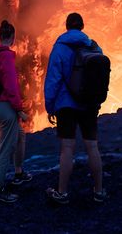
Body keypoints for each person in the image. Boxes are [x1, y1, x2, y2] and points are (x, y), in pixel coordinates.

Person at [43, 12, 106, 205]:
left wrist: (50, 106)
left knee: (67, 148)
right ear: (82, 27)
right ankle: (99, 191)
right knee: (92, 147)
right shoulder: (94, 46)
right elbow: (100, 78)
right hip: (88, 104)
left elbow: (53, 80)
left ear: (67, 27)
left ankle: (62, 193)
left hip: (66, 106)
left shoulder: (60, 48)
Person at [0, 20, 32, 203]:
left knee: (20, 135)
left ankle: (18, 173)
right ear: (13, 38)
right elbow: (11, 87)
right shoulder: (5, 56)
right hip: (6, 108)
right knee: (5, 149)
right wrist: (19, 109)